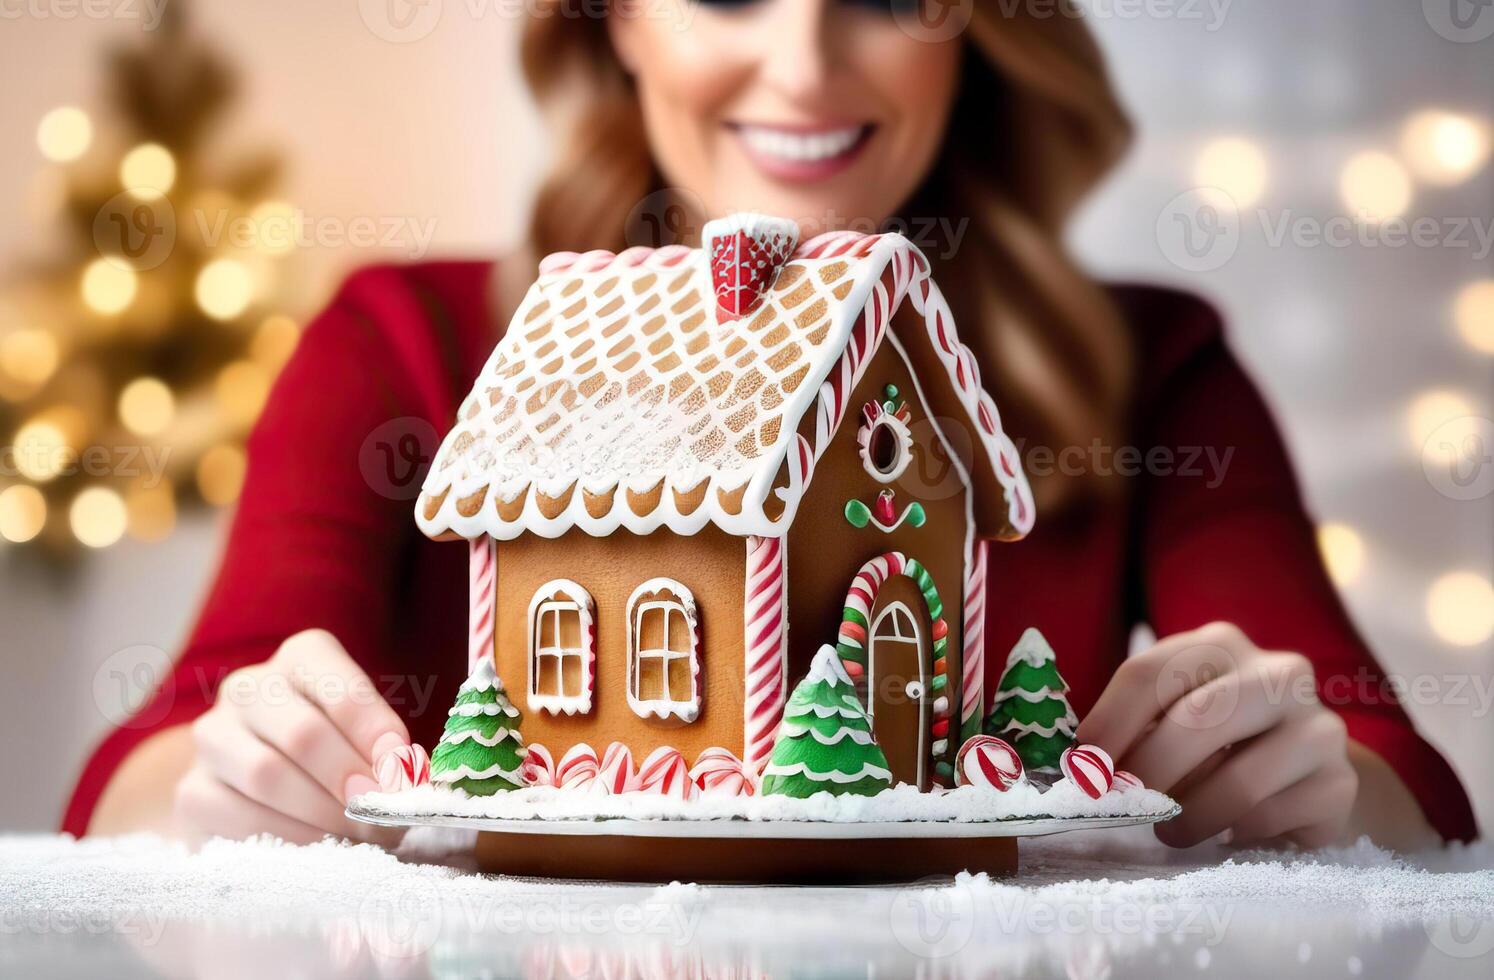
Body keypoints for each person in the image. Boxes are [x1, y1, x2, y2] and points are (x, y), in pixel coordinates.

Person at [67, 0, 1474, 849]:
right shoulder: (404, 346)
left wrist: (1305, 774)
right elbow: (139, 784)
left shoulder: (1148, 370)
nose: (803, 68)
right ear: (613, 17)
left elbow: (1399, 784)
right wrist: (230, 775)